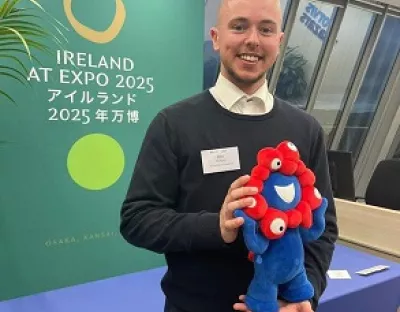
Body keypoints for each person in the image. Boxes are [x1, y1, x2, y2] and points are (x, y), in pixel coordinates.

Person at [119, 0, 338, 311]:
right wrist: (217, 227)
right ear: (216, 37)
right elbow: (137, 219)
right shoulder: (174, 124)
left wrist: (307, 294)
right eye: (238, 26)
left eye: (266, 29)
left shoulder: (306, 130)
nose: (252, 40)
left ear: (279, 41)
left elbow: (323, 227)